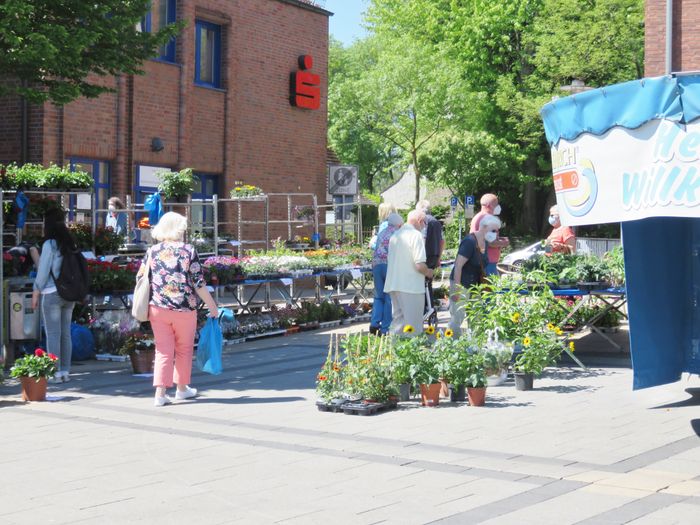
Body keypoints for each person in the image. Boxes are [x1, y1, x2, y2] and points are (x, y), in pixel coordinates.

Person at [138, 212, 219, 407]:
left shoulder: (152, 251)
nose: (184, 230)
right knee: (183, 349)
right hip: (184, 308)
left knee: (163, 351)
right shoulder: (188, 251)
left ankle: (160, 394)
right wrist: (212, 306)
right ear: (177, 229)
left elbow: (141, 276)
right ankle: (182, 389)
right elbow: (199, 283)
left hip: (157, 308)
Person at [31, 209, 78, 382]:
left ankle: (55, 372)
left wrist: (36, 292)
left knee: (53, 333)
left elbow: (43, 271)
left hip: (51, 293)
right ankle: (65, 371)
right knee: (65, 333)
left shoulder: (49, 244)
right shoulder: (70, 242)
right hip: (69, 294)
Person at [449, 214, 501, 336]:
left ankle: (475, 348)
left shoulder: (485, 242)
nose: (496, 234)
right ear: (484, 227)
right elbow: (458, 266)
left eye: (497, 231)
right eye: (493, 230)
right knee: (457, 319)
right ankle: (450, 346)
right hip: (461, 284)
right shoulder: (469, 242)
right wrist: (456, 289)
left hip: (475, 286)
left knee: (477, 318)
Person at [384, 210, 434, 336]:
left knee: (398, 324)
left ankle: (393, 352)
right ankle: (411, 354)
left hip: (394, 284)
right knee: (414, 326)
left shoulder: (395, 235)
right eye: (425, 223)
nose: (424, 226)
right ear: (420, 221)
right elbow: (419, 265)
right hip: (411, 286)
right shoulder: (416, 235)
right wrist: (429, 272)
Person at [369, 212, 403, 335]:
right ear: (399, 224)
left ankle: (374, 323)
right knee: (389, 297)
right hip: (388, 266)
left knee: (378, 296)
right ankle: (385, 327)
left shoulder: (382, 232)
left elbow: (375, 248)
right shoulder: (397, 233)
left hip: (377, 265)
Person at [415, 200, 444, 315]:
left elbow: (423, 238)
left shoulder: (423, 221)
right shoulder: (437, 222)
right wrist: (438, 257)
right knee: (429, 284)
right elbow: (442, 241)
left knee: (420, 284)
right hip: (434, 255)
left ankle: (421, 311)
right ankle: (431, 309)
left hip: (424, 256)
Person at [470, 193, 509, 275]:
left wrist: (499, 239)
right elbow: (490, 243)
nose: (498, 206)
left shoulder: (478, 217)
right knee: (490, 287)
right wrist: (504, 243)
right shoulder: (487, 219)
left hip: (482, 261)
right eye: (496, 204)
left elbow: (485, 238)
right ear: (488, 205)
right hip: (487, 262)